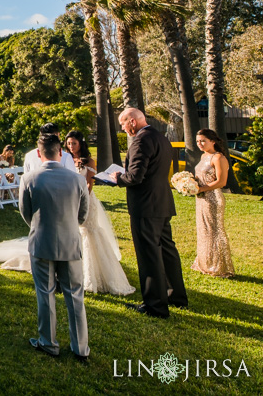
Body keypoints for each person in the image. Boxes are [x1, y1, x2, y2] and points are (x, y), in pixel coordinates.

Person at [19, 133, 90, 362]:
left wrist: (40, 227)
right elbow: (83, 214)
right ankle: (80, 348)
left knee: (45, 293)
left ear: (39, 154)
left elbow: (25, 212)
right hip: (70, 241)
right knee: (75, 294)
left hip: (41, 241)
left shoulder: (29, 178)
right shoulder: (77, 179)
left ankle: (48, 343)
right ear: (61, 152)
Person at [114, 108, 188, 318]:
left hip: (145, 206)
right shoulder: (161, 137)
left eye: (122, 123)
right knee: (167, 250)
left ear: (132, 121)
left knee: (149, 254)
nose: (122, 128)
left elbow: (136, 176)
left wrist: (117, 178)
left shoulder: (141, 140)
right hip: (162, 203)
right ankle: (176, 297)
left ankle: (155, 305)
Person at [65, 131, 135, 296]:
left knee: (89, 231)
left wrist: (81, 201)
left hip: (86, 200)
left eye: (74, 143)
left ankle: (96, 274)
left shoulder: (89, 161)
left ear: (81, 144)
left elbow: (89, 185)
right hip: (69, 200)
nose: (71, 146)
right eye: (68, 143)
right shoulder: (66, 160)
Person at [191, 129, 235, 278]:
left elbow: (221, 182)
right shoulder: (204, 156)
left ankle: (218, 266)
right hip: (201, 198)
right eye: (198, 141)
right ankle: (204, 262)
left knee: (214, 231)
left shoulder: (218, 158)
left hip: (213, 198)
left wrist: (200, 189)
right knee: (204, 230)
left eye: (203, 140)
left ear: (213, 141)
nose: (200, 144)